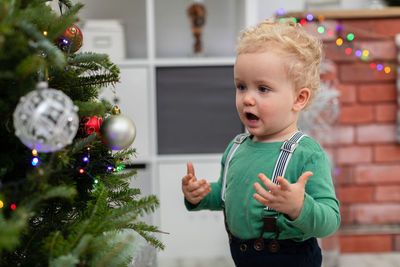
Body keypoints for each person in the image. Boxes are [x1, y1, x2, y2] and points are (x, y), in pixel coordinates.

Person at [181, 18, 340, 267]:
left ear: (299, 99)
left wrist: (299, 206)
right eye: (241, 87)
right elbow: (227, 195)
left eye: (263, 89)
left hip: (291, 259)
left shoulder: (306, 153)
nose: (247, 99)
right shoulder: (236, 148)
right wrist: (200, 196)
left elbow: (330, 219)